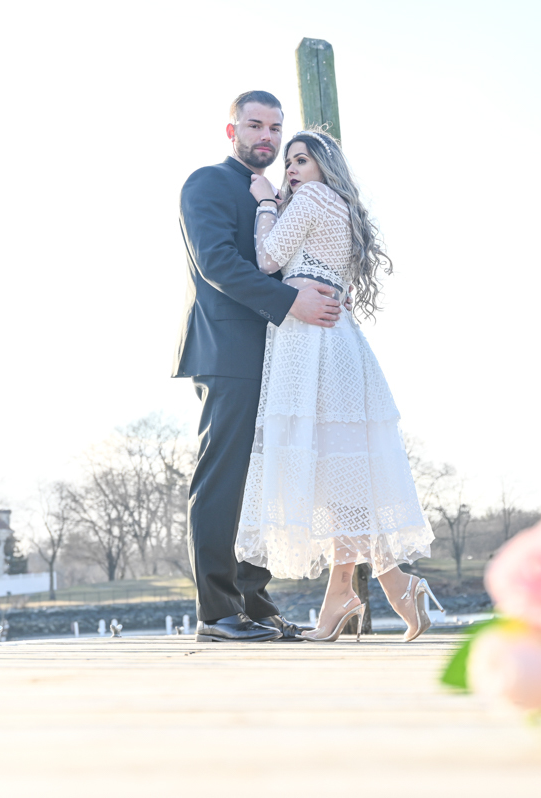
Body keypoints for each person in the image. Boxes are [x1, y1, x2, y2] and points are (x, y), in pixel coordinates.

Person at [238, 129, 443, 642]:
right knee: (340, 474)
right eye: (288, 163)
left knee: (331, 473)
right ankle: (372, 589)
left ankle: (375, 588)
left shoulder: (308, 197)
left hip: (312, 348)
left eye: (301, 160)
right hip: (339, 345)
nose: (291, 169)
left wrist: (266, 203)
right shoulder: (342, 208)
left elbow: (266, 260)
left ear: (324, 165)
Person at [175, 91, 342, 643]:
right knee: (223, 481)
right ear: (232, 132)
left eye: (275, 127)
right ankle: (216, 614)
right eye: (254, 125)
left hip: (284, 355)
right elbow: (217, 262)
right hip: (229, 352)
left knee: (266, 483)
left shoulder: (285, 193)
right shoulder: (207, 183)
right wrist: (289, 299)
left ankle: (253, 601)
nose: (266, 136)